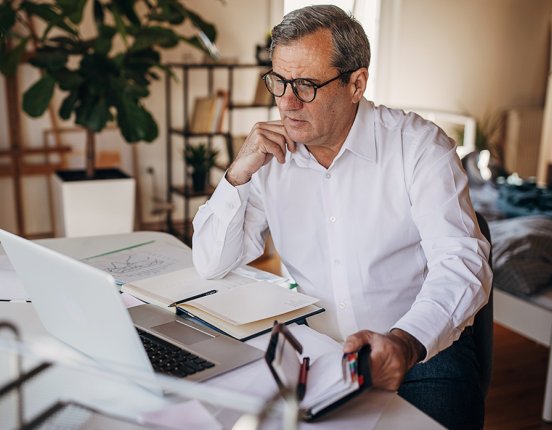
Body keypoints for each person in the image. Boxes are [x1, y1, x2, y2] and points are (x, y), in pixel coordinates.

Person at [191, 5, 492, 430]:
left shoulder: (420, 147)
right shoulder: (270, 156)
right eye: (278, 82)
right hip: (317, 352)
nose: (288, 102)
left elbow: (464, 263)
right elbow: (211, 262)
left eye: (307, 85)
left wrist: (404, 344)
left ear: (357, 83)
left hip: (420, 351)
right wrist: (236, 176)